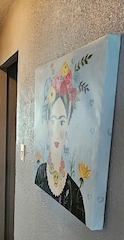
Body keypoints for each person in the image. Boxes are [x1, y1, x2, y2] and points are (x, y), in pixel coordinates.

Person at [34, 61, 86, 223]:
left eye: (62, 122)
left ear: (68, 125)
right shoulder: (41, 173)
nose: (57, 130)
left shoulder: (75, 191)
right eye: (53, 121)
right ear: (48, 124)